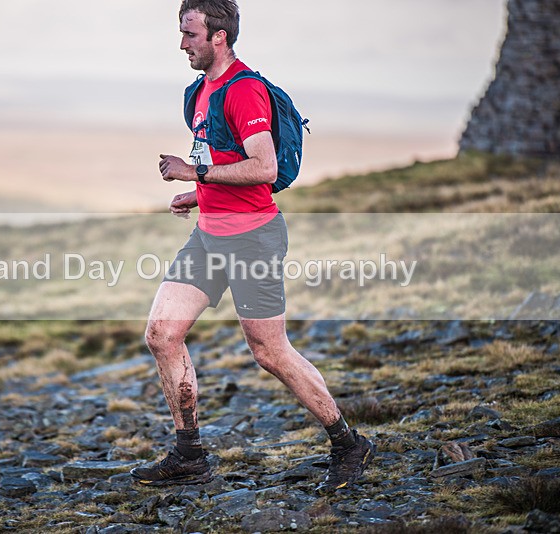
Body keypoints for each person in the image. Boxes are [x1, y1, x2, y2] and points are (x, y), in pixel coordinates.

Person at [130, 0, 375, 492]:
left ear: (218, 37)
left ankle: (349, 443)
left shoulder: (244, 90)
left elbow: (263, 167)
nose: (182, 44)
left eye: (190, 34)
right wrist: (198, 194)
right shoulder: (198, 93)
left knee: (270, 352)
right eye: (182, 33)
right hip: (209, 235)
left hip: (253, 240)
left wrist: (193, 172)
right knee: (161, 333)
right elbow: (224, 160)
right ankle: (189, 456)